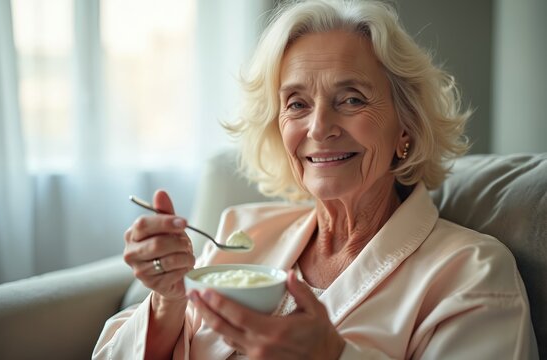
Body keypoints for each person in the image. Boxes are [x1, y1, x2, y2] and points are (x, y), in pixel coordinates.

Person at [93, 0, 539, 359]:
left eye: (350, 99)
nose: (319, 127)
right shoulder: (238, 233)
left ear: (405, 125)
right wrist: (168, 300)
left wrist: (334, 355)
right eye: (297, 104)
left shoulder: (472, 273)